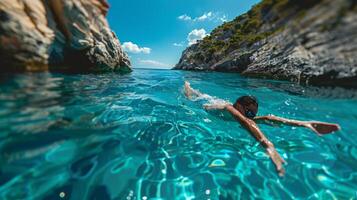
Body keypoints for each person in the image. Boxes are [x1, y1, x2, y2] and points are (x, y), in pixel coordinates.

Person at [184, 81, 340, 176]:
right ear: (238, 105)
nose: (251, 116)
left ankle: (307, 123)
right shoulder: (228, 108)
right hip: (201, 105)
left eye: (253, 113)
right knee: (194, 97)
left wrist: (302, 124)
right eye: (249, 112)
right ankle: (189, 89)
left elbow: (262, 119)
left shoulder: (243, 115)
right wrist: (269, 147)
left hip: (225, 110)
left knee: (263, 118)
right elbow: (247, 122)